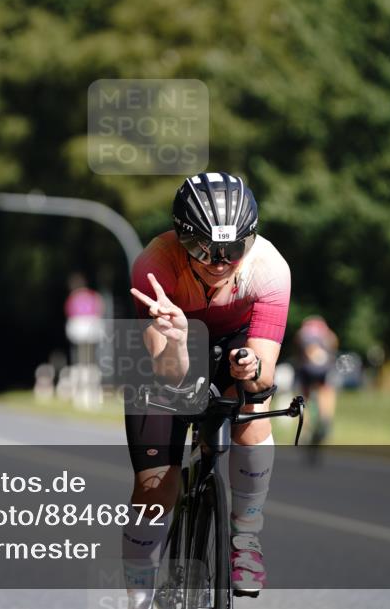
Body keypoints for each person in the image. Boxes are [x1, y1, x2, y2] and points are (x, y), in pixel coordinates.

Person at [124, 172, 291, 605]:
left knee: (254, 404)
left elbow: (264, 376)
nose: (218, 262)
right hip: (168, 353)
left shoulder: (270, 269)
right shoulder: (154, 267)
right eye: (203, 249)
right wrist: (178, 337)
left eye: (233, 250)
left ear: (250, 241)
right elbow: (170, 374)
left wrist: (250, 367)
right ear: (181, 239)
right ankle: (138, 595)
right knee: (155, 488)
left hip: (235, 341)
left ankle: (246, 539)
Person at [294, 315, 339, 447]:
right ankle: (326, 420)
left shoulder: (303, 332)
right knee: (326, 392)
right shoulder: (326, 332)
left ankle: (305, 428)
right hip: (324, 369)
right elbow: (334, 342)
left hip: (306, 368)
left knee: (304, 398)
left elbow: (300, 345)